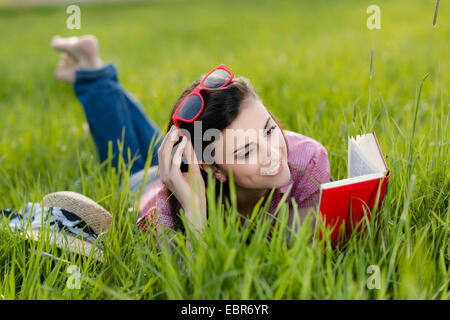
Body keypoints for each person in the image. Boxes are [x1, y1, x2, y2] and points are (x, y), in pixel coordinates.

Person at [50, 34, 331, 247]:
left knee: (159, 141)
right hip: (144, 187)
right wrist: (195, 211)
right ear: (214, 168)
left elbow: (302, 252)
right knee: (125, 152)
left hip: (189, 159)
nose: (273, 154)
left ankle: (92, 70)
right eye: (246, 152)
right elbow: (191, 285)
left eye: (269, 130)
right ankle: (91, 72)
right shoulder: (163, 214)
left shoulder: (308, 160)